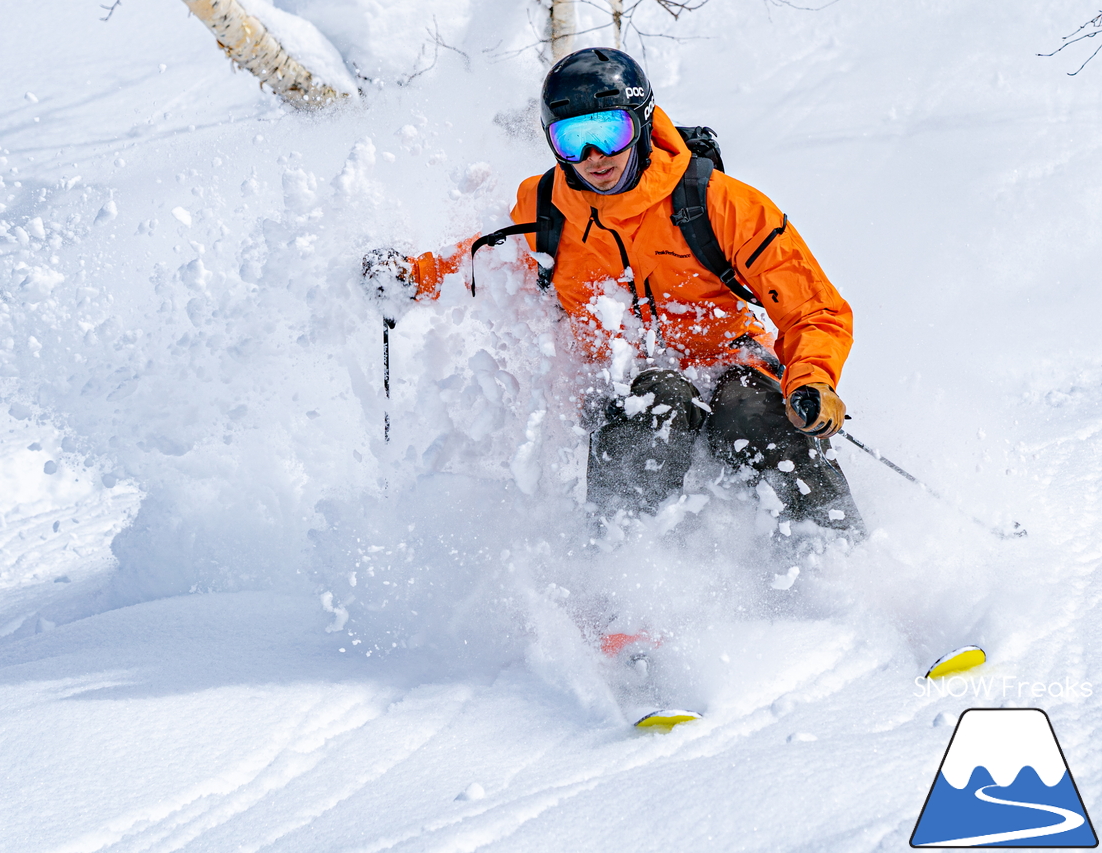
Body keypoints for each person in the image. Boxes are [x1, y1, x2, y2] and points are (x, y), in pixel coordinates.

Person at [364, 47, 862, 537]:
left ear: (641, 124)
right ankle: (617, 584)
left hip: (726, 361)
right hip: (621, 378)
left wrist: (813, 380)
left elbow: (813, 308)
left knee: (756, 414)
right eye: (572, 139)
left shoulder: (719, 204)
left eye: (610, 131)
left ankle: (837, 563)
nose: (594, 157)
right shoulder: (547, 211)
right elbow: (484, 261)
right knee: (656, 399)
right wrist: (412, 277)